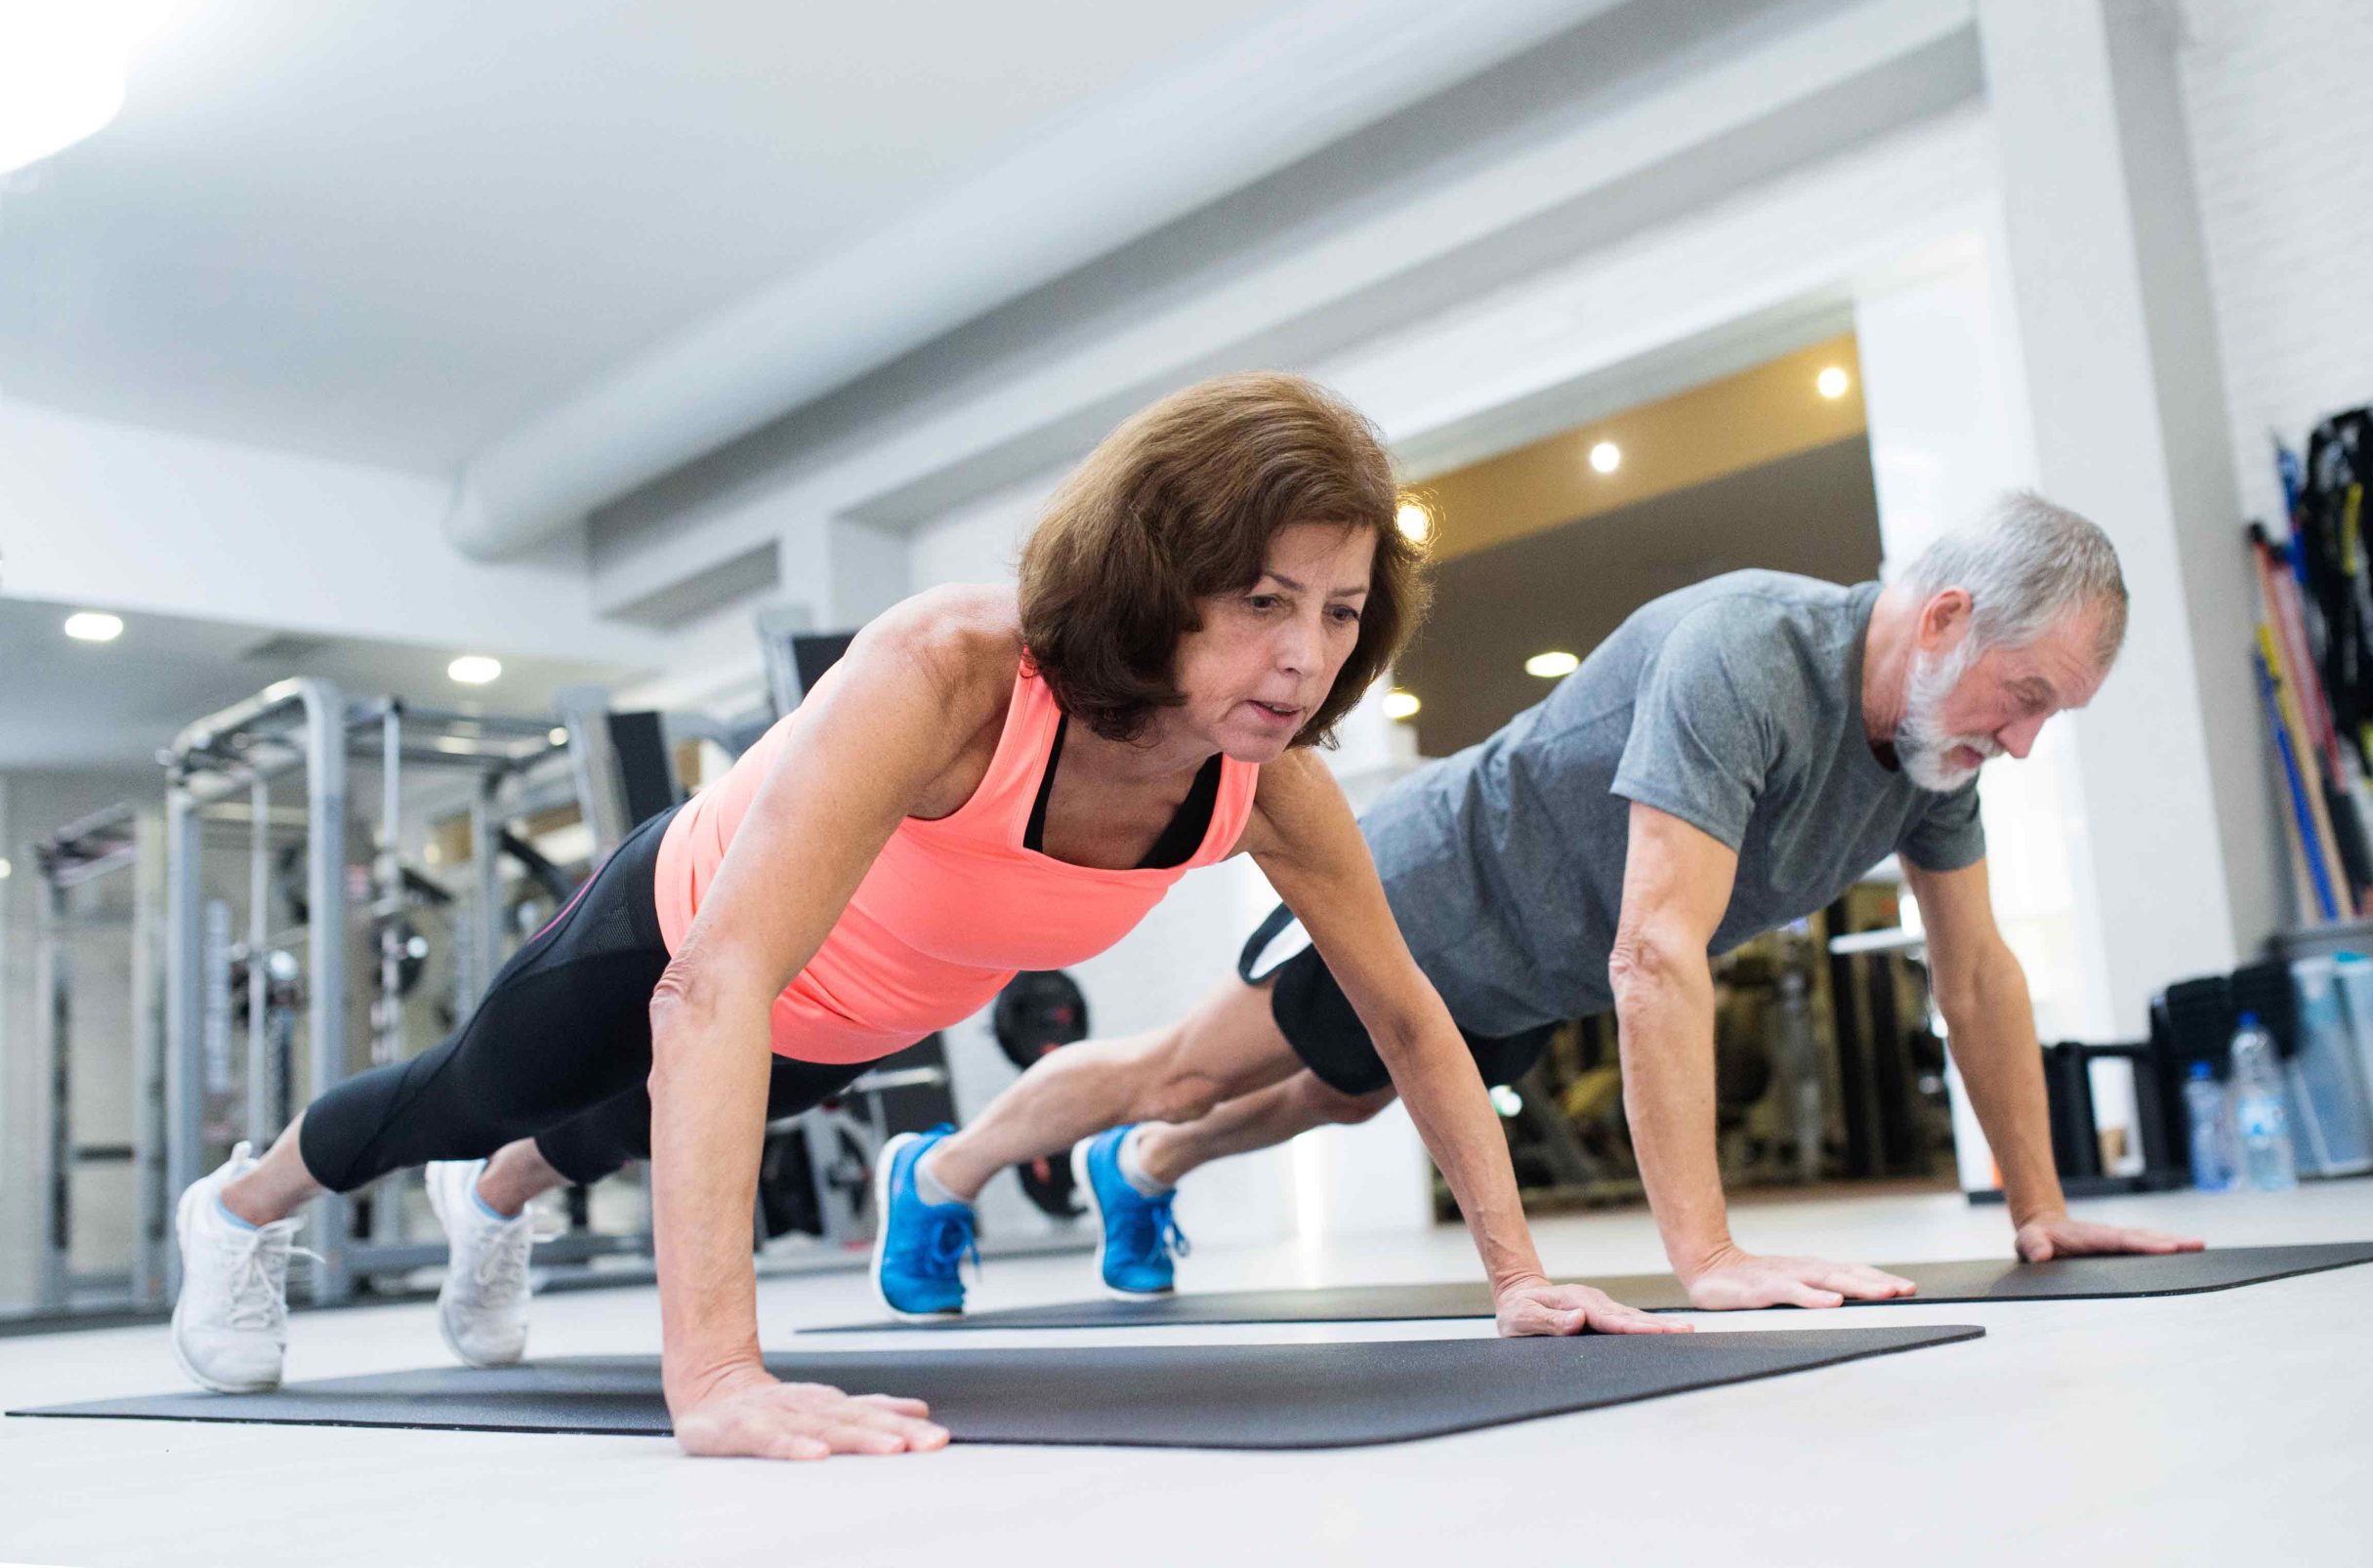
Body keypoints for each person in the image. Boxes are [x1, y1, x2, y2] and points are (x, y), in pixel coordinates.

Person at [166, 372, 1669, 1461]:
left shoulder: (1266, 779)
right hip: (683, 932)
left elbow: (1410, 1012)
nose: (1303, 656)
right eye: (1265, 600)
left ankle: (493, 1204)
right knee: (476, 1093)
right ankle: (239, 1209)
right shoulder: (953, 671)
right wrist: (720, 1375)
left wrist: (1519, 1274)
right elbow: (712, 986)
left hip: (861, 1009)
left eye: (1340, 614)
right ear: (1161, 578)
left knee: (605, 1135)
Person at [892, 494, 2202, 1312]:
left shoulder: (1933, 752)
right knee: (1184, 1067)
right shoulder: (1748, 653)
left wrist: (2039, 1203)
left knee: (1340, 1094)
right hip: (1422, 889)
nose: (2023, 740)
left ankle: (1144, 1171)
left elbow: (1974, 974)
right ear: (1947, 619)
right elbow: (1656, 951)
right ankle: (939, 1171)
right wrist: (1710, 1257)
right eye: (2025, 696)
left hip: (1533, 971)